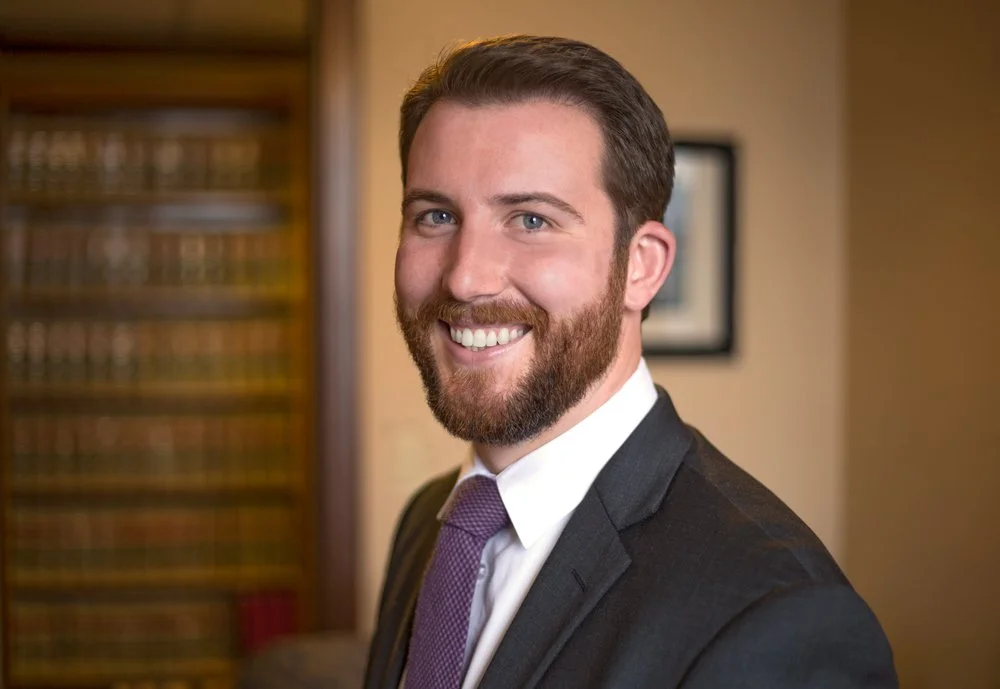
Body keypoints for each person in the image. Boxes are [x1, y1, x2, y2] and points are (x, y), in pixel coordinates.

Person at [364, 35, 897, 689]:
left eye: (531, 220)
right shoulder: (433, 524)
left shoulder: (778, 613)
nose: (467, 278)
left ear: (641, 267)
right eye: (437, 215)